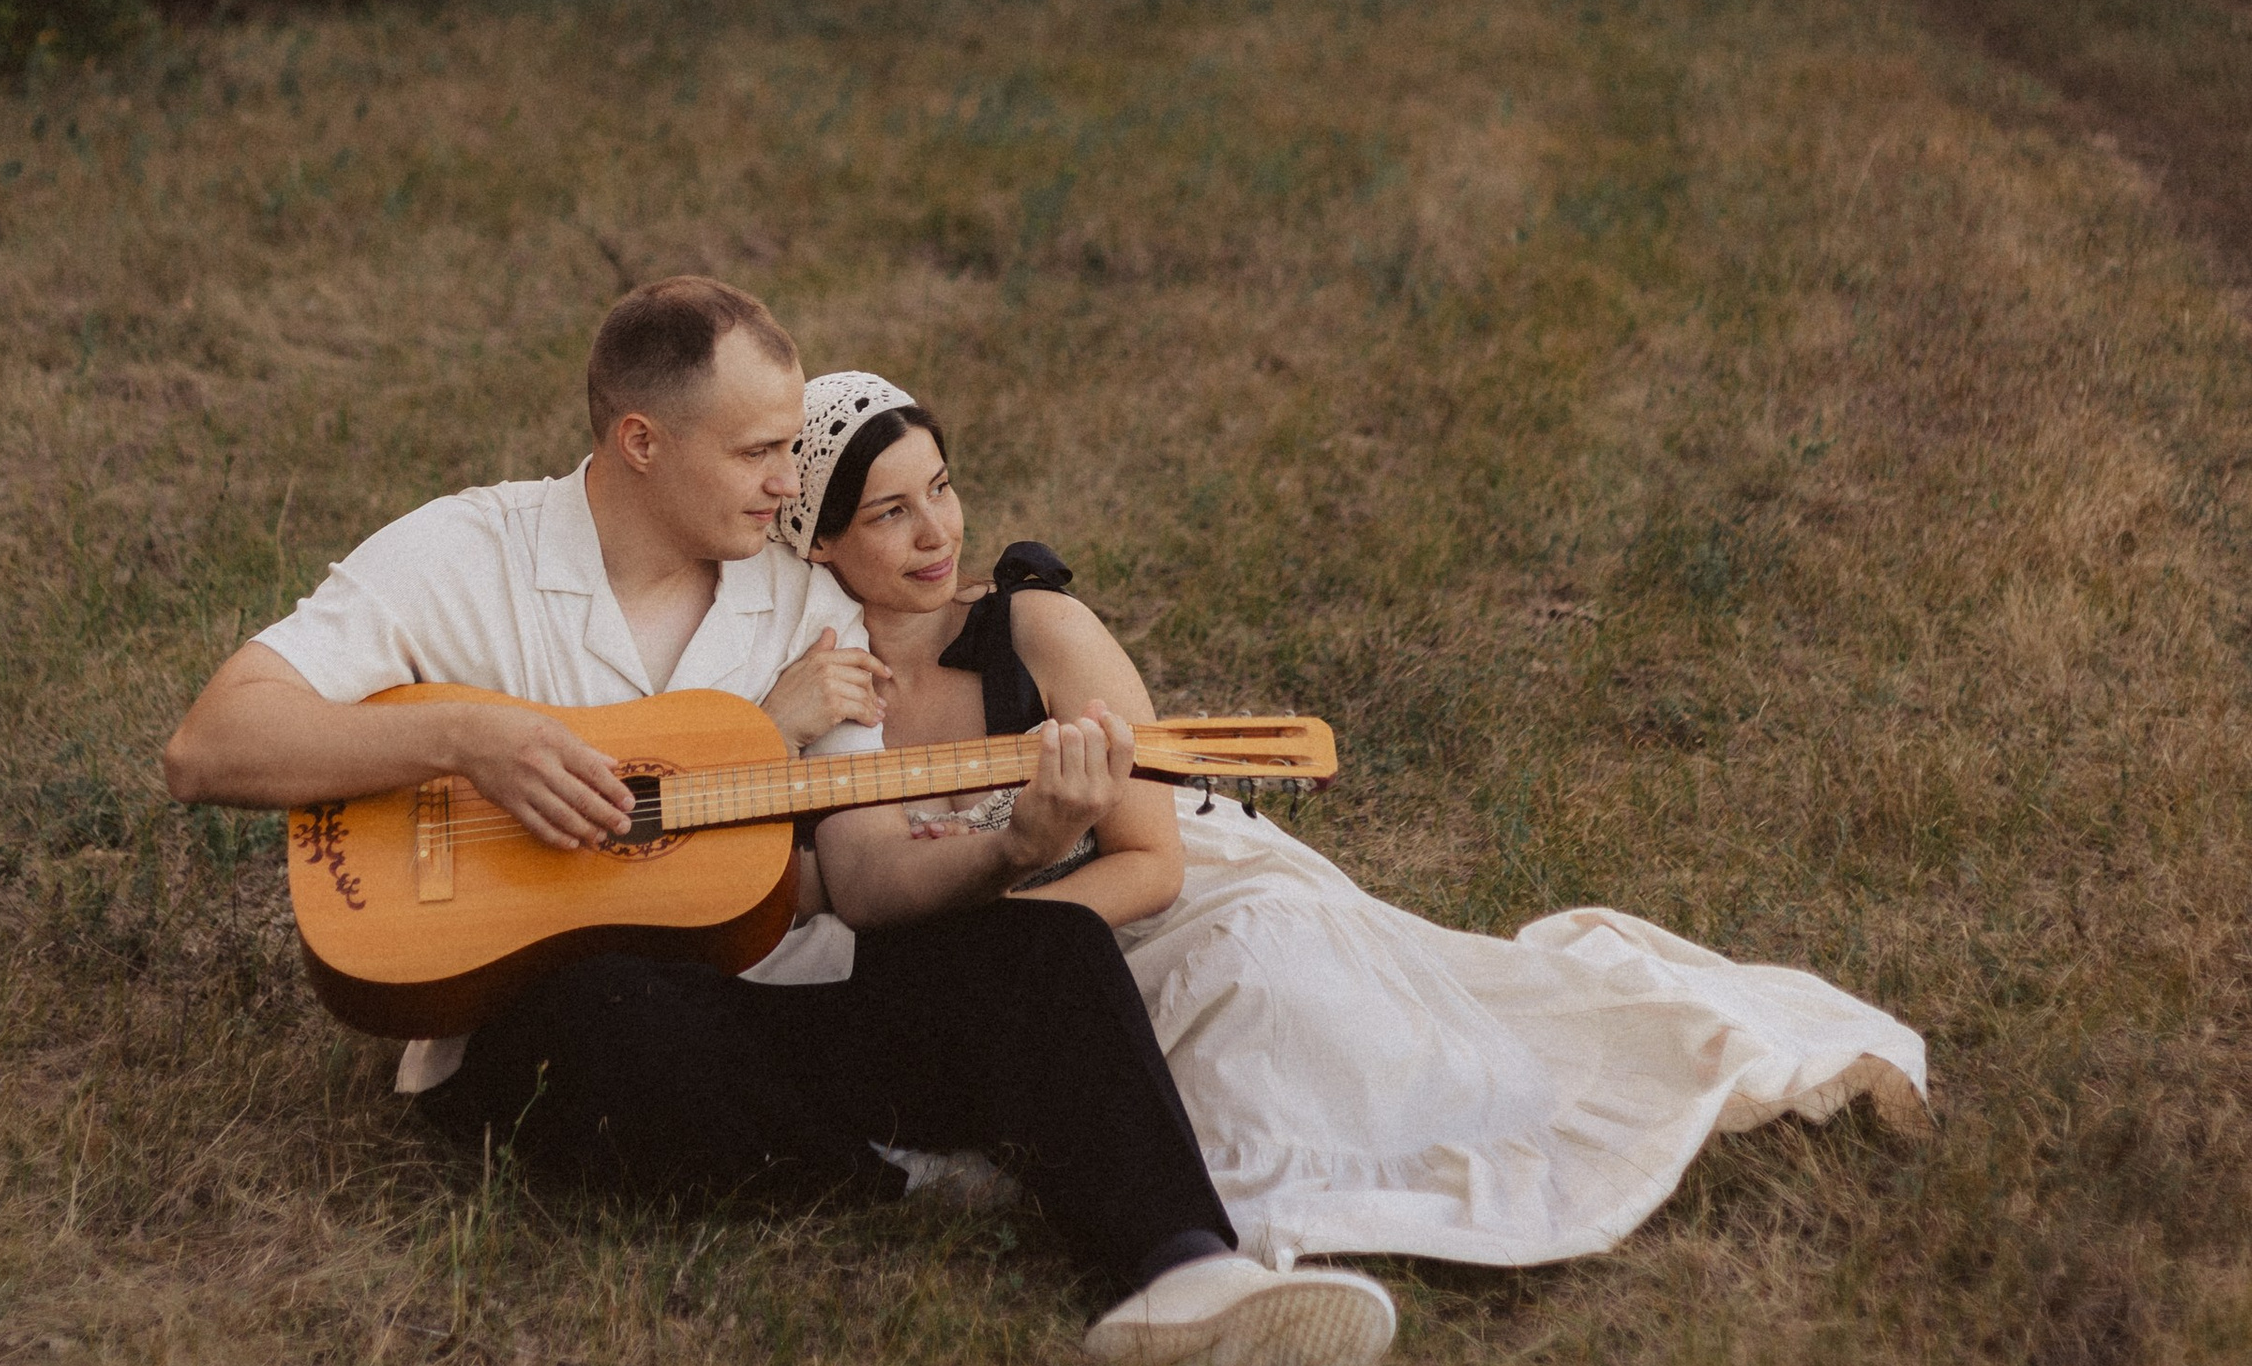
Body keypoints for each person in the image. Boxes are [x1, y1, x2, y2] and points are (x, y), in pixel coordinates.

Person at [162, 279, 1399, 1366]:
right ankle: (894, 1167)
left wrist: (1019, 844)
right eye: (758, 450)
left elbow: (861, 876)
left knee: (1046, 948)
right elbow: (210, 745)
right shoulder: (463, 553)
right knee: (604, 1012)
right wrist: (466, 737)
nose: (786, 480)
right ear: (640, 442)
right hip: (568, 1020)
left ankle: (1184, 1274)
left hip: (783, 996)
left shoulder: (805, 601)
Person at [780, 372, 1931, 1267]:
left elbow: (1152, 860)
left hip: (1148, 901)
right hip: (998, 948)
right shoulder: (811, 685)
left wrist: (1018, 942)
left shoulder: (1036, 631)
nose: (936, 532)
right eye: (891, 513)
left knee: (1268, 988)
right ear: (820, 542)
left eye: (942, 489)